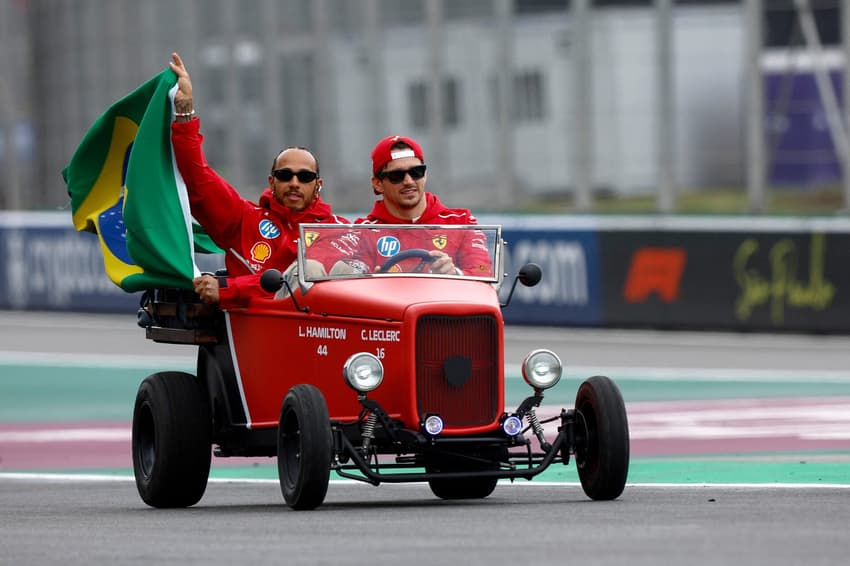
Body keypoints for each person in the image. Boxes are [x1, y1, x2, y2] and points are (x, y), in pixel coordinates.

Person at [168, 52, 347, 307]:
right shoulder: (244, 219)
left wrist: (229, 289)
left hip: (321, 337)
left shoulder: (335, 231)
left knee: (317, 269)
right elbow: (198, 177)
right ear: (272, 182)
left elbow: (307, 277)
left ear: (318, 185)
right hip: (260, 334)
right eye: (285, 175)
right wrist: (185, 112)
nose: (294, 183)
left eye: (304, 177)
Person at [311, 134, 492, 277]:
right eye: (397, 176)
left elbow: (483, 273)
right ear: (377, 183)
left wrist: (455, 274)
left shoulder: (462, 222)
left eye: (416, 172)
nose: (408, 181)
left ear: (425, 174)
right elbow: (322, 268)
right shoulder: (362, 232)